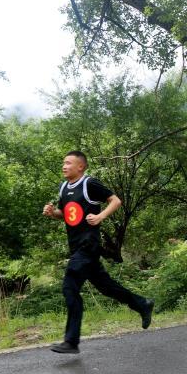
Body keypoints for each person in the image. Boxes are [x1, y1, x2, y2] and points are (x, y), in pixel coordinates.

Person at [43, 151, 154, 354]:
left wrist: (100, 216)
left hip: (88, 246)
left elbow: (116, 201)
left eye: (68, 163)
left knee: (69, 286)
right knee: (106, 287)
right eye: (63, 163)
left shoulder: (89, 184)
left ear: (80, 166)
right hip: (76, 247)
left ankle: (71, 341)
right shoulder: (63, 187)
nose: (64, 166)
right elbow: (67, 214)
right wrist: (53, 213)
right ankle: (142, 304)